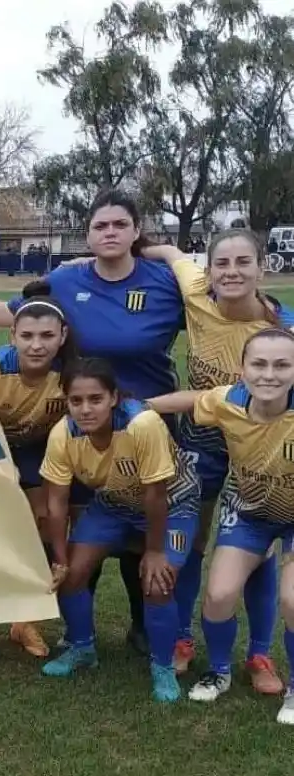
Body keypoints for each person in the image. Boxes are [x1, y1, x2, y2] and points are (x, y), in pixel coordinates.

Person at [0, 189, 191, 656]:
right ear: (87, 235)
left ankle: (142, 626)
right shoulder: (66, 280)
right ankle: (78, 634)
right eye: (100, 226)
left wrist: (170, 254)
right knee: (82, 526)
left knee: (140, 529)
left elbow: (218, 312)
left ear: (136, 230)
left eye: (120, 224)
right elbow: (13, 314)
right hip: (82, 427)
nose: (110, 232)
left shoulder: (165, 281)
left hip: (148, 423)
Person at [138, 232, 292, 692]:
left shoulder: (284, 329)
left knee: (261, 538)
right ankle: (184, 638)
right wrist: (98, 258)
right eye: (221, 263)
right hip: (203, 433)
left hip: (263, 438)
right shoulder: (196, 289)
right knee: (192, 540)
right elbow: (168, 252)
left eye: (244, 262)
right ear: (208, 269)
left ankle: (259, 654)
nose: (232, 271)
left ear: (262, 268)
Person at [40, 358, 199, 703]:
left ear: (113, 397)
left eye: (95, 399)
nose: (85, 409)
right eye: (76, 400)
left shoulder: (143, 423)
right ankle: (82, 649)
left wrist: (154, 551)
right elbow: (56, 503)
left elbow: (156, 493)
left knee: (158, 582)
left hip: (173, 506)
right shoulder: (63, 434)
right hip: (114, 504)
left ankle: (162, 666)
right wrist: (60, 559)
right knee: (72, 575)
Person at [0, 294, 77, 657]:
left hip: (39, 450)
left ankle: (26, 620)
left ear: (63, 336)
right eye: (27, 336)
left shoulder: (70, 373)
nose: (36, 345)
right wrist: (0, 465)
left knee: (43, 524)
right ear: (12, 335)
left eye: (47, 336)